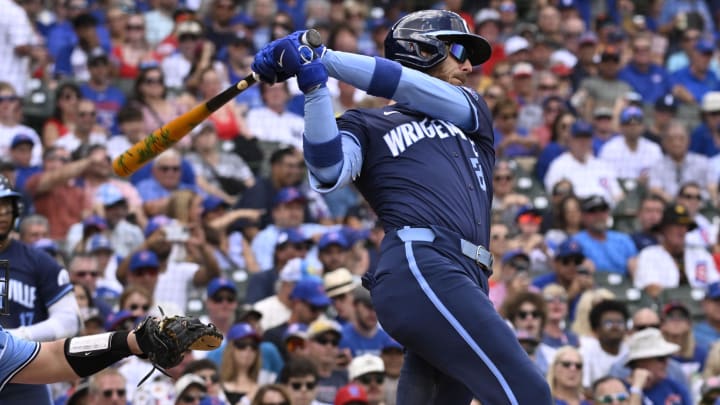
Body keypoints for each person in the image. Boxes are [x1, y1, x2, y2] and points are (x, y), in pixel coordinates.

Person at [251, 10, 551, 404]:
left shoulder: (471, 112)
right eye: (458, 51)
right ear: (420, 49)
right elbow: (327, 170)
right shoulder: (366, 124)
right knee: (529, 394)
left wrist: (320, 57)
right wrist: (314, 86)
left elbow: (404, 83)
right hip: (422, 262)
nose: (468, 65)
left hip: (466, 276)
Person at [0, 174, 81, 404]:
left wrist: (18, 338)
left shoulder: (39, 261)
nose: (2, 213)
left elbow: (69, 321)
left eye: (6, 206)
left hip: (27, 373)